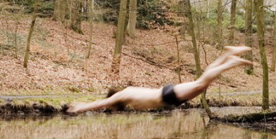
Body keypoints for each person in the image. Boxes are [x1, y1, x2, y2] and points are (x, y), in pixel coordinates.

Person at [67, 46, 252, 114]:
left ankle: (232, 61)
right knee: (202, 82)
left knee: (201, 83)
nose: (113, 107)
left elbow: (101, 103)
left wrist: (80, 107)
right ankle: (228, 55)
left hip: (168, 95)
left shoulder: (121, 96)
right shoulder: (127, 93)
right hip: (168, 93)